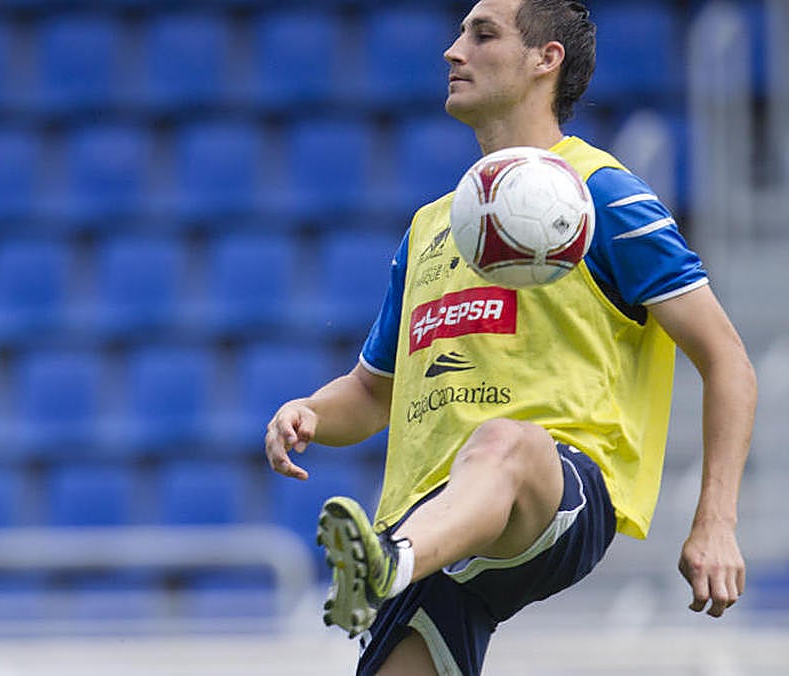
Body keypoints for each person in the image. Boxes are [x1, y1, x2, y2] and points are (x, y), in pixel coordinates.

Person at [264, 1, 757, 674]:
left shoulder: (605, 196)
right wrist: (311, 413)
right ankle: (400, 559)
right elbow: (373, 394)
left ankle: (391, 561)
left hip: (555, 490)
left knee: (503, 442)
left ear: (545, 59)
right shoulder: (431, 225)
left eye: (482, 33)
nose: (453, 50)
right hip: (430, 526)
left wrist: (716, 521)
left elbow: (727, 360)